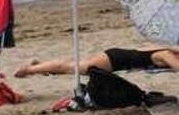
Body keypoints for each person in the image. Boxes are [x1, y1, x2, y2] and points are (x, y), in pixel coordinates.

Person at [15, 47, 179, 77]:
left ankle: (39, 64)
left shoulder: (165, 49)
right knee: (72, 68)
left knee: (73, 66)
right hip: (114, 60)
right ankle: (28, 69)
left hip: (116, 56)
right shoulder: (166, 53)